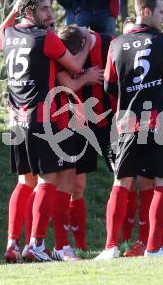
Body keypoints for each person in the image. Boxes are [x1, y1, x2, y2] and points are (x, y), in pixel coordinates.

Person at [0, 0, 100, 263]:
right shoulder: (45, 38)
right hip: (41, 118)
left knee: (24, 181)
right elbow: (73, 66)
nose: (50, 14)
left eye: (50, 9)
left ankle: (14, 244)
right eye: (44, 9)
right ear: (29, 11)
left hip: (17, 119)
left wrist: (12, 12)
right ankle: (37, 244)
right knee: (48, 180)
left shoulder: (10, 34)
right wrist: (88, 46)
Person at [96, 0, 163, 259]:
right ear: (146, 12)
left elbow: (109, 86)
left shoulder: (116, 44)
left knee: (121, 183)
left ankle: (110, 248)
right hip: (160, 120)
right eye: (161, 12)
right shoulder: (162, 40)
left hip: (128, 123)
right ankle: (154, 248)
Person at [56, 24, 114, 253]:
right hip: (77, 123)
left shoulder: (109, 43)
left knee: (126, 178)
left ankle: (127, 242)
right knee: (76, 186)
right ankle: (79, 247)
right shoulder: (58, 48)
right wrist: (86, 78)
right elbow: (67, 84)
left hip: (109, 121)